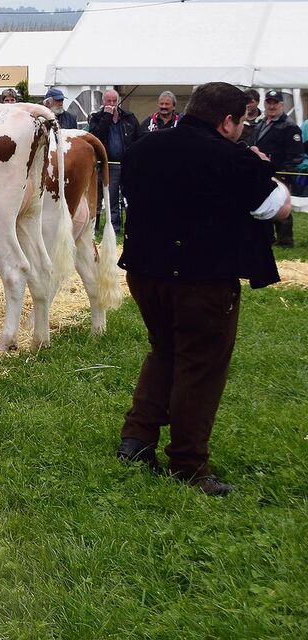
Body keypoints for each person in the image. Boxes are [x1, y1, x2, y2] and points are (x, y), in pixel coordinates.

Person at [116, 81, 290, 495]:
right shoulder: (233, 158)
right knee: (200, 367)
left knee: (164, 351)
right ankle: (189, 463)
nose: (242, 129)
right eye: (242, 121)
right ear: (227, 121)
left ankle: (136, 440)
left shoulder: (143, 147)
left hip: (146, 272)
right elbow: (277, 208)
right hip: (203, 280)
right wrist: (264, 169)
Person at [252, 90, 303, 247]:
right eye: (269, 102)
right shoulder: (261, 123)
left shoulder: (290, 126)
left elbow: (296, 154)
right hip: (262, 172)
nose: (272, 106)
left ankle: (285, 241)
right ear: (264, 104)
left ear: (282, 105)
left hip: (280, 172)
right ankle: (267, 237)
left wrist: (285, 173)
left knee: (281, 206)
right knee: (265, 203)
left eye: (275, 103)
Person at [88, 88, 139, 229]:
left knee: (125, 197)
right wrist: (107, 116)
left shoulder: (129, 117)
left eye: (114, 101)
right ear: (103, 102)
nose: (112, 104)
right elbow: (95, 137)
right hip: (106, 163)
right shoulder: (96, 118)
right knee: (108, 197)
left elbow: (138, 137)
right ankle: (106, 226)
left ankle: (125, 225)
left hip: (126, 163)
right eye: (108, 101)